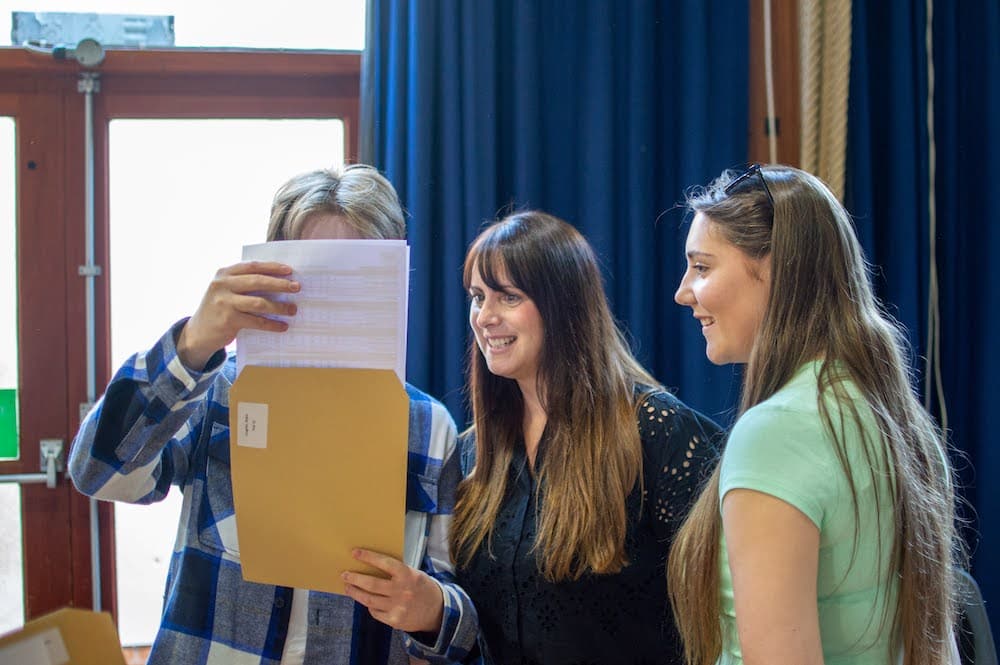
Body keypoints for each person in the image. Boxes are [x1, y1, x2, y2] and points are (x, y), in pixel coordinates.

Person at [68, 164, 478, 665]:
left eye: (354, 277)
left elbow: (454, 615)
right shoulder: (216, 390)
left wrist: (433, 609)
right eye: (310, 276)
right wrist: (193, 343)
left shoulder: (428, 426)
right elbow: (97, 472)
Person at [667, 164, 962, 665]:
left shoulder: (776, 433)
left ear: (778, 269)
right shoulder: (902, 421)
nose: (683, 292)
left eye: (702, 267)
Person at [439, 210, 720, 664]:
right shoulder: (474, 451)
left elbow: (718, 611)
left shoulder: (656, 429)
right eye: (477, 297)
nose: (485, 317)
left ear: (563, 309)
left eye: (508, 297)